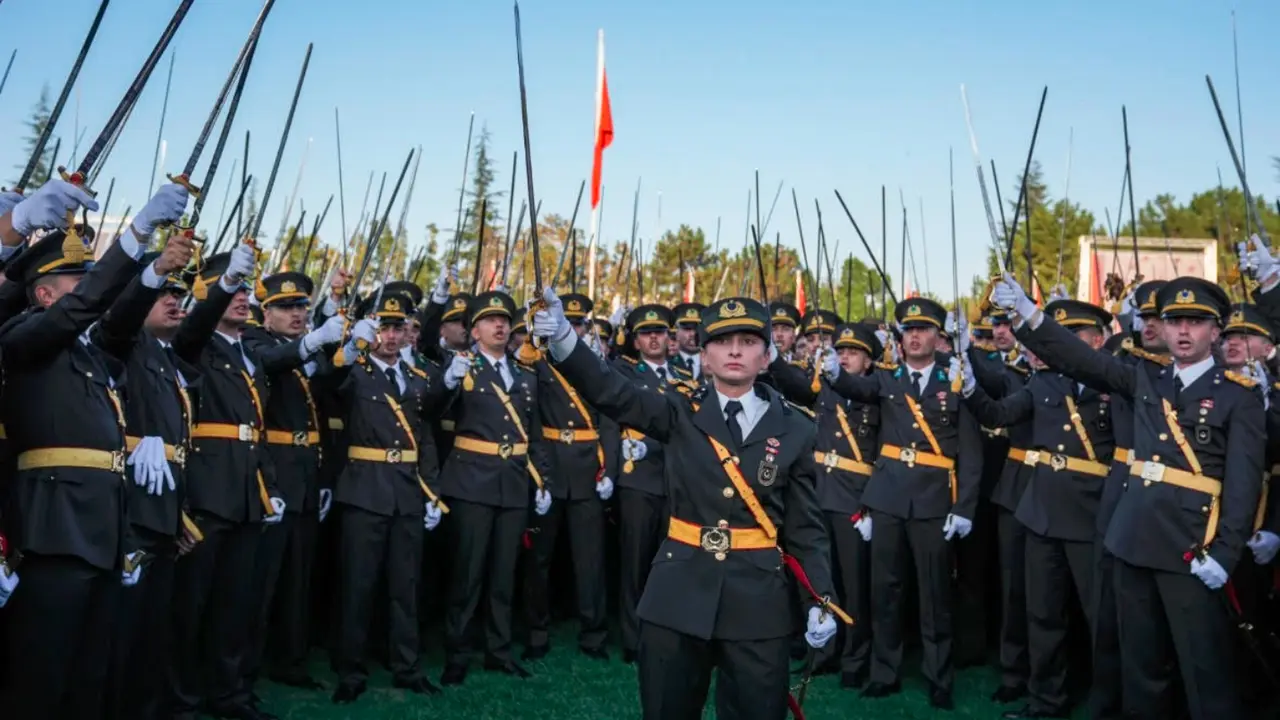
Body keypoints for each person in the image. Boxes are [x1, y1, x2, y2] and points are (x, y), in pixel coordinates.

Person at [531, 291, 841, 720]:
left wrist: (819, 600)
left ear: (768, 356)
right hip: (677, 596)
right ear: (705, 356)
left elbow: (807, 530)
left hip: (758, 604)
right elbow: (610, 390)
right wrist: (564, 336)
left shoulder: (796, 429)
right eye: (722, 340)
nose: (735, 350)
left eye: (749, 341)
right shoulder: (679, 410)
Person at [991, 273, 1264, 720]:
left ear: (1216, 332)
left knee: (1205, 670)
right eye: (1174, 320)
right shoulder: (1145, 378)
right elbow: (1080, 359)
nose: (1181, 331)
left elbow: (1242, 484)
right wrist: (1027, 312)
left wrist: (1225, 553)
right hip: (1132, 541)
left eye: (1195, 322)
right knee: (1142, 668)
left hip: (1191, 548)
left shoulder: (1238, 396)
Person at [0, 180, 189, 718]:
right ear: (43, 293)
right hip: (54, 528)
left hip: (103, 530)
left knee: (90, 674)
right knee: (42, 675)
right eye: (75, 281)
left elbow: (121, 317)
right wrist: (133, 236)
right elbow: (84, 308)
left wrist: (152, 271)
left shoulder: (90, 353)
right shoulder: (25, 337)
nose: (88, 291)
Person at [822, 297, 982, 709]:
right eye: (908, 330)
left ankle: (939, 678)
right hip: (888, 499)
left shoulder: (955, 381)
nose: (914, 336)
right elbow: (856, 386)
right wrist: (834, 372)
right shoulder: (887, 380)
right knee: (885, 592)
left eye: (923, 329)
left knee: (934, 597)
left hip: (932, 502)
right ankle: (884, 672)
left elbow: (970, 452)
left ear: (937, 337)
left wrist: (964, 508)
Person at [960, 299, 1117, 719]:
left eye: (1073, 339)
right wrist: (970, 386)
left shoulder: (1113, 385)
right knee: (1042, 613)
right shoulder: (1044, 383)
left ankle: (1107, 700)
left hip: (1092, 513)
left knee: (1100, 616)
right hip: (1041, 511)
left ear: (1098, 342)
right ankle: (1046, 698)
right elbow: (999, 413)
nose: (1059, 348)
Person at [169, 245, 286, 720]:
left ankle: (229, 694)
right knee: (191, 606)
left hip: (245, 493)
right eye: (230, 289)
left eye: (243, 289)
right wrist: (219, 290)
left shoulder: (249, 354)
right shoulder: (193, 342)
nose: (241, 297)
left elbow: (258, 429)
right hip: (207, 491)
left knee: (234, 604)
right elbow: (195, 325)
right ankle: (182, 701)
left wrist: (269, 485)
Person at [96, 243, 204, 720]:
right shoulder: (123, 343)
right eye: (163, 291)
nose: (174, 299)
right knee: (124, 630)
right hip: (129, 510)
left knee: (153, 627)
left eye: (180, 292)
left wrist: (178, 511)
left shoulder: (164, 356)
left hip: (162, 508)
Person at [325, 291, 446, 704]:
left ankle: (407, 666)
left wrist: (432, 490)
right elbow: (326, 381)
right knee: (358, 586)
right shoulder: (353, 372)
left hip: (407, 493)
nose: (391, 336)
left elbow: (425, 438)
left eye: (397, 328)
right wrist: (349, 343)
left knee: (404, 586)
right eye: (383, 328)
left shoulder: (416, 380)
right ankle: (351, 670)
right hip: (364, 490)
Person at [437, 290, 552, 685]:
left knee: (504, 574)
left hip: (513, 483)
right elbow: (432, 409)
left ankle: (498, 651)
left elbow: (534, 434)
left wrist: (542, 479)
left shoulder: (524, 374)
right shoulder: (462, 368)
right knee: (467, 575)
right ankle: (457, 653)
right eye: (489, 320)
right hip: (471, 481)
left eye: (504, 320)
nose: (500, 326)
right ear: (474, 330)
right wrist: (448, 380)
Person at [241, 271, 345, 692]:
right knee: (262, 579)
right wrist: (315, 341)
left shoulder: (301, 349)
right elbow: (272, 364)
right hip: (274, 471)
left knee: (298, 577)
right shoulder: (256, 342)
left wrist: (345, 349)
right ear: (265, 313)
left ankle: (290, 658)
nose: (297, 314)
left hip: (305, 470)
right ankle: (246, 665)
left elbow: (325, 391)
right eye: (286, 307)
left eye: (302, 306)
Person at [769, 322, 883, 689]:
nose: (844, 356)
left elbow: (886, 454)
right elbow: (792, 386)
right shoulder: (825, 389)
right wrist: (772, 356)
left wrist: (871, 504)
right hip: (820, 493)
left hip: (854, 499)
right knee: (819, 582)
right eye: (842, 350)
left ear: (869, 361)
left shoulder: (879, 395)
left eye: (853, 352)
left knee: (854, 586)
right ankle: (823, 652)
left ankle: (855, 658)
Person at [522, 292, 613, 660]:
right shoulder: (537, 363)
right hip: (551, 466)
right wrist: (539, 473)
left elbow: (609, 417)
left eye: (578, 324)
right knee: (539, 558)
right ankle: (536, 632)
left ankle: (594, 634)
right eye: (567, 322)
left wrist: (610, 470)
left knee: (590, 560)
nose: (572, 329)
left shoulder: (593, 365)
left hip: (589, 470)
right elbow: (528, 418)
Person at [611, 303, 681, 664]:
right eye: (646, 333)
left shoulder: (683, 373)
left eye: (660, 332)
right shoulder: (624, 372)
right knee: (635, 563)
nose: (654, 338)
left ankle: (665, 633)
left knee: (671, 564)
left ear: (670, 337)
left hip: (676, 480)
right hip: (639, 476)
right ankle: (633, 638)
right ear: (635, 341)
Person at [670, 302, 705, 379]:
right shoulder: (665, 362)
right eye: (687, 329)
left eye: (697, 329)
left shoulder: (714, 362)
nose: (692, 334)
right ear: (676, 332)